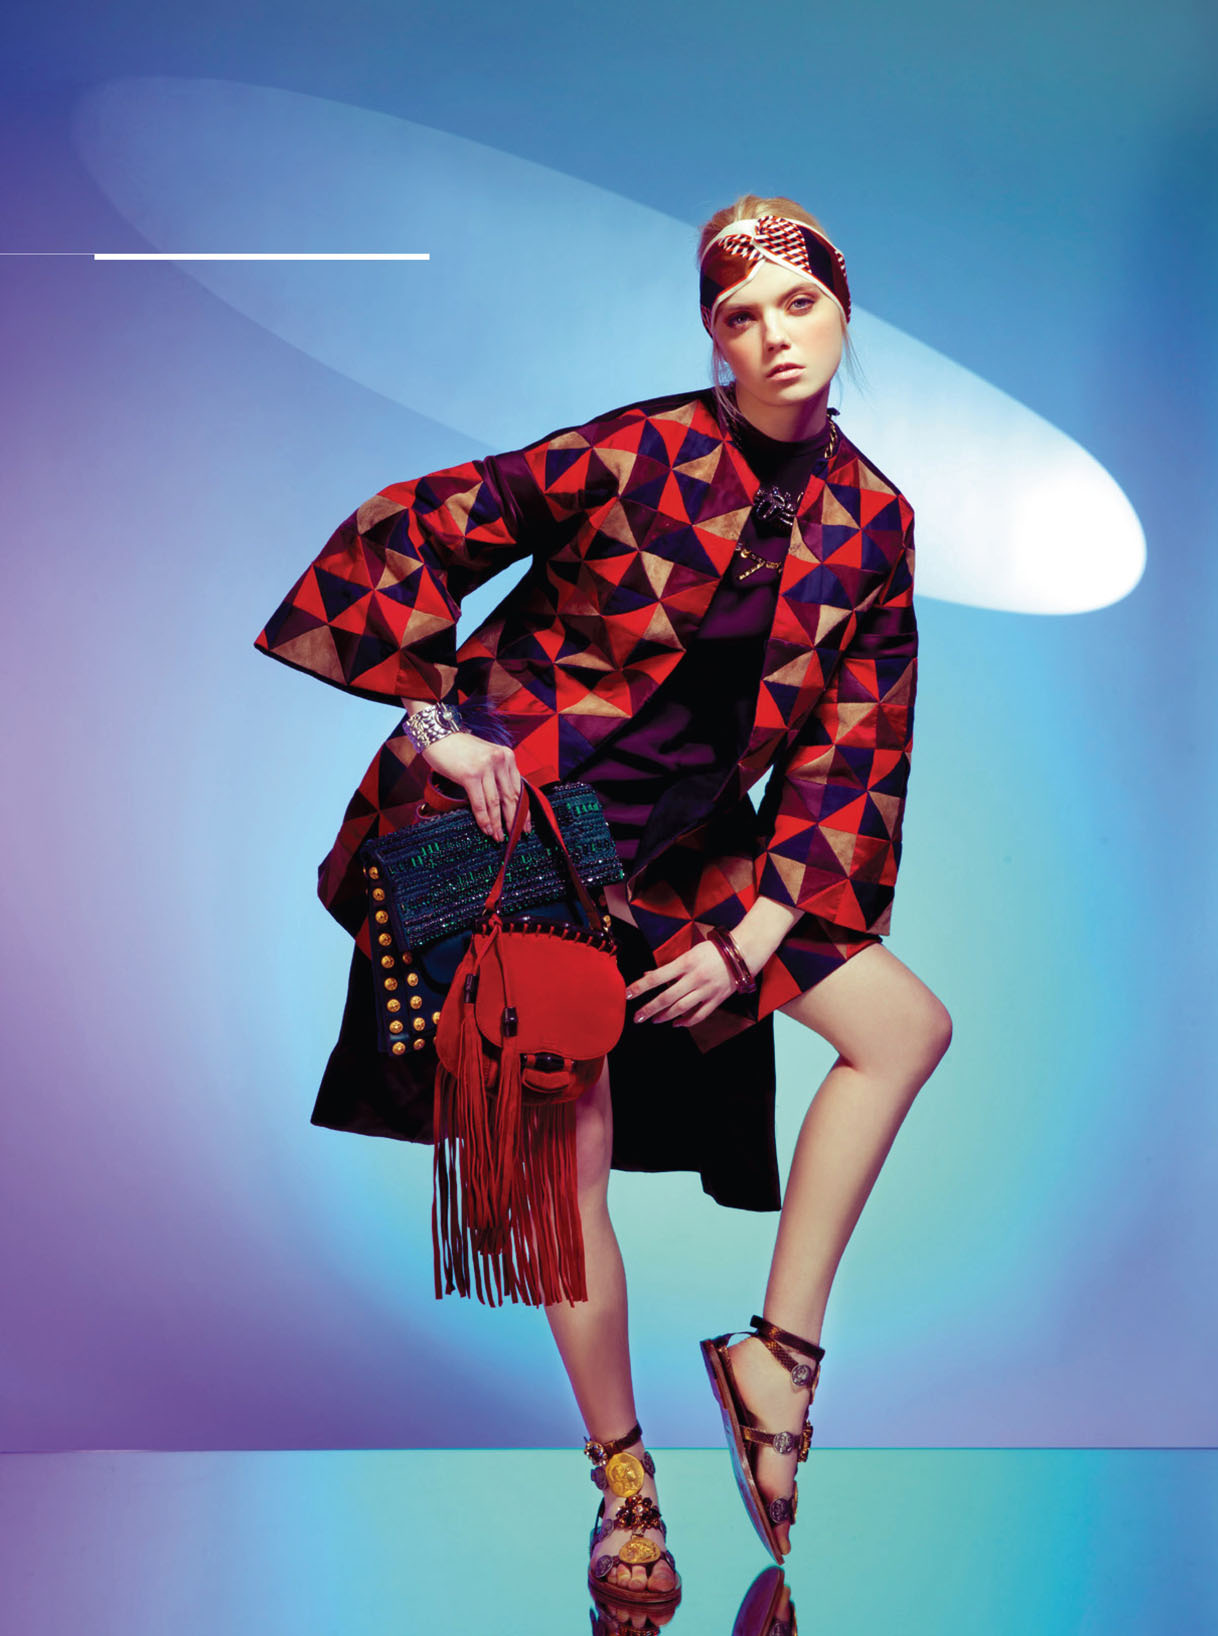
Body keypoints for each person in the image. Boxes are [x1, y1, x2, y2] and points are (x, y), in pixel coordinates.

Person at [254, 194, 953, 1606]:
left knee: (902, 1030)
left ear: (842, 312)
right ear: (712, 337)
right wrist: (436, 729)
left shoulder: (873, 520)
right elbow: (408, 532)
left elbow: (856, 740)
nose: (775, 337)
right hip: (525, 838)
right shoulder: (636, 451)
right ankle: (625, 1486)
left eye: (800, 304)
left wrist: (759, 930)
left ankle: (777, 1362)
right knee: (567, 1165)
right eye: (741, 315)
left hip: (693, 855)